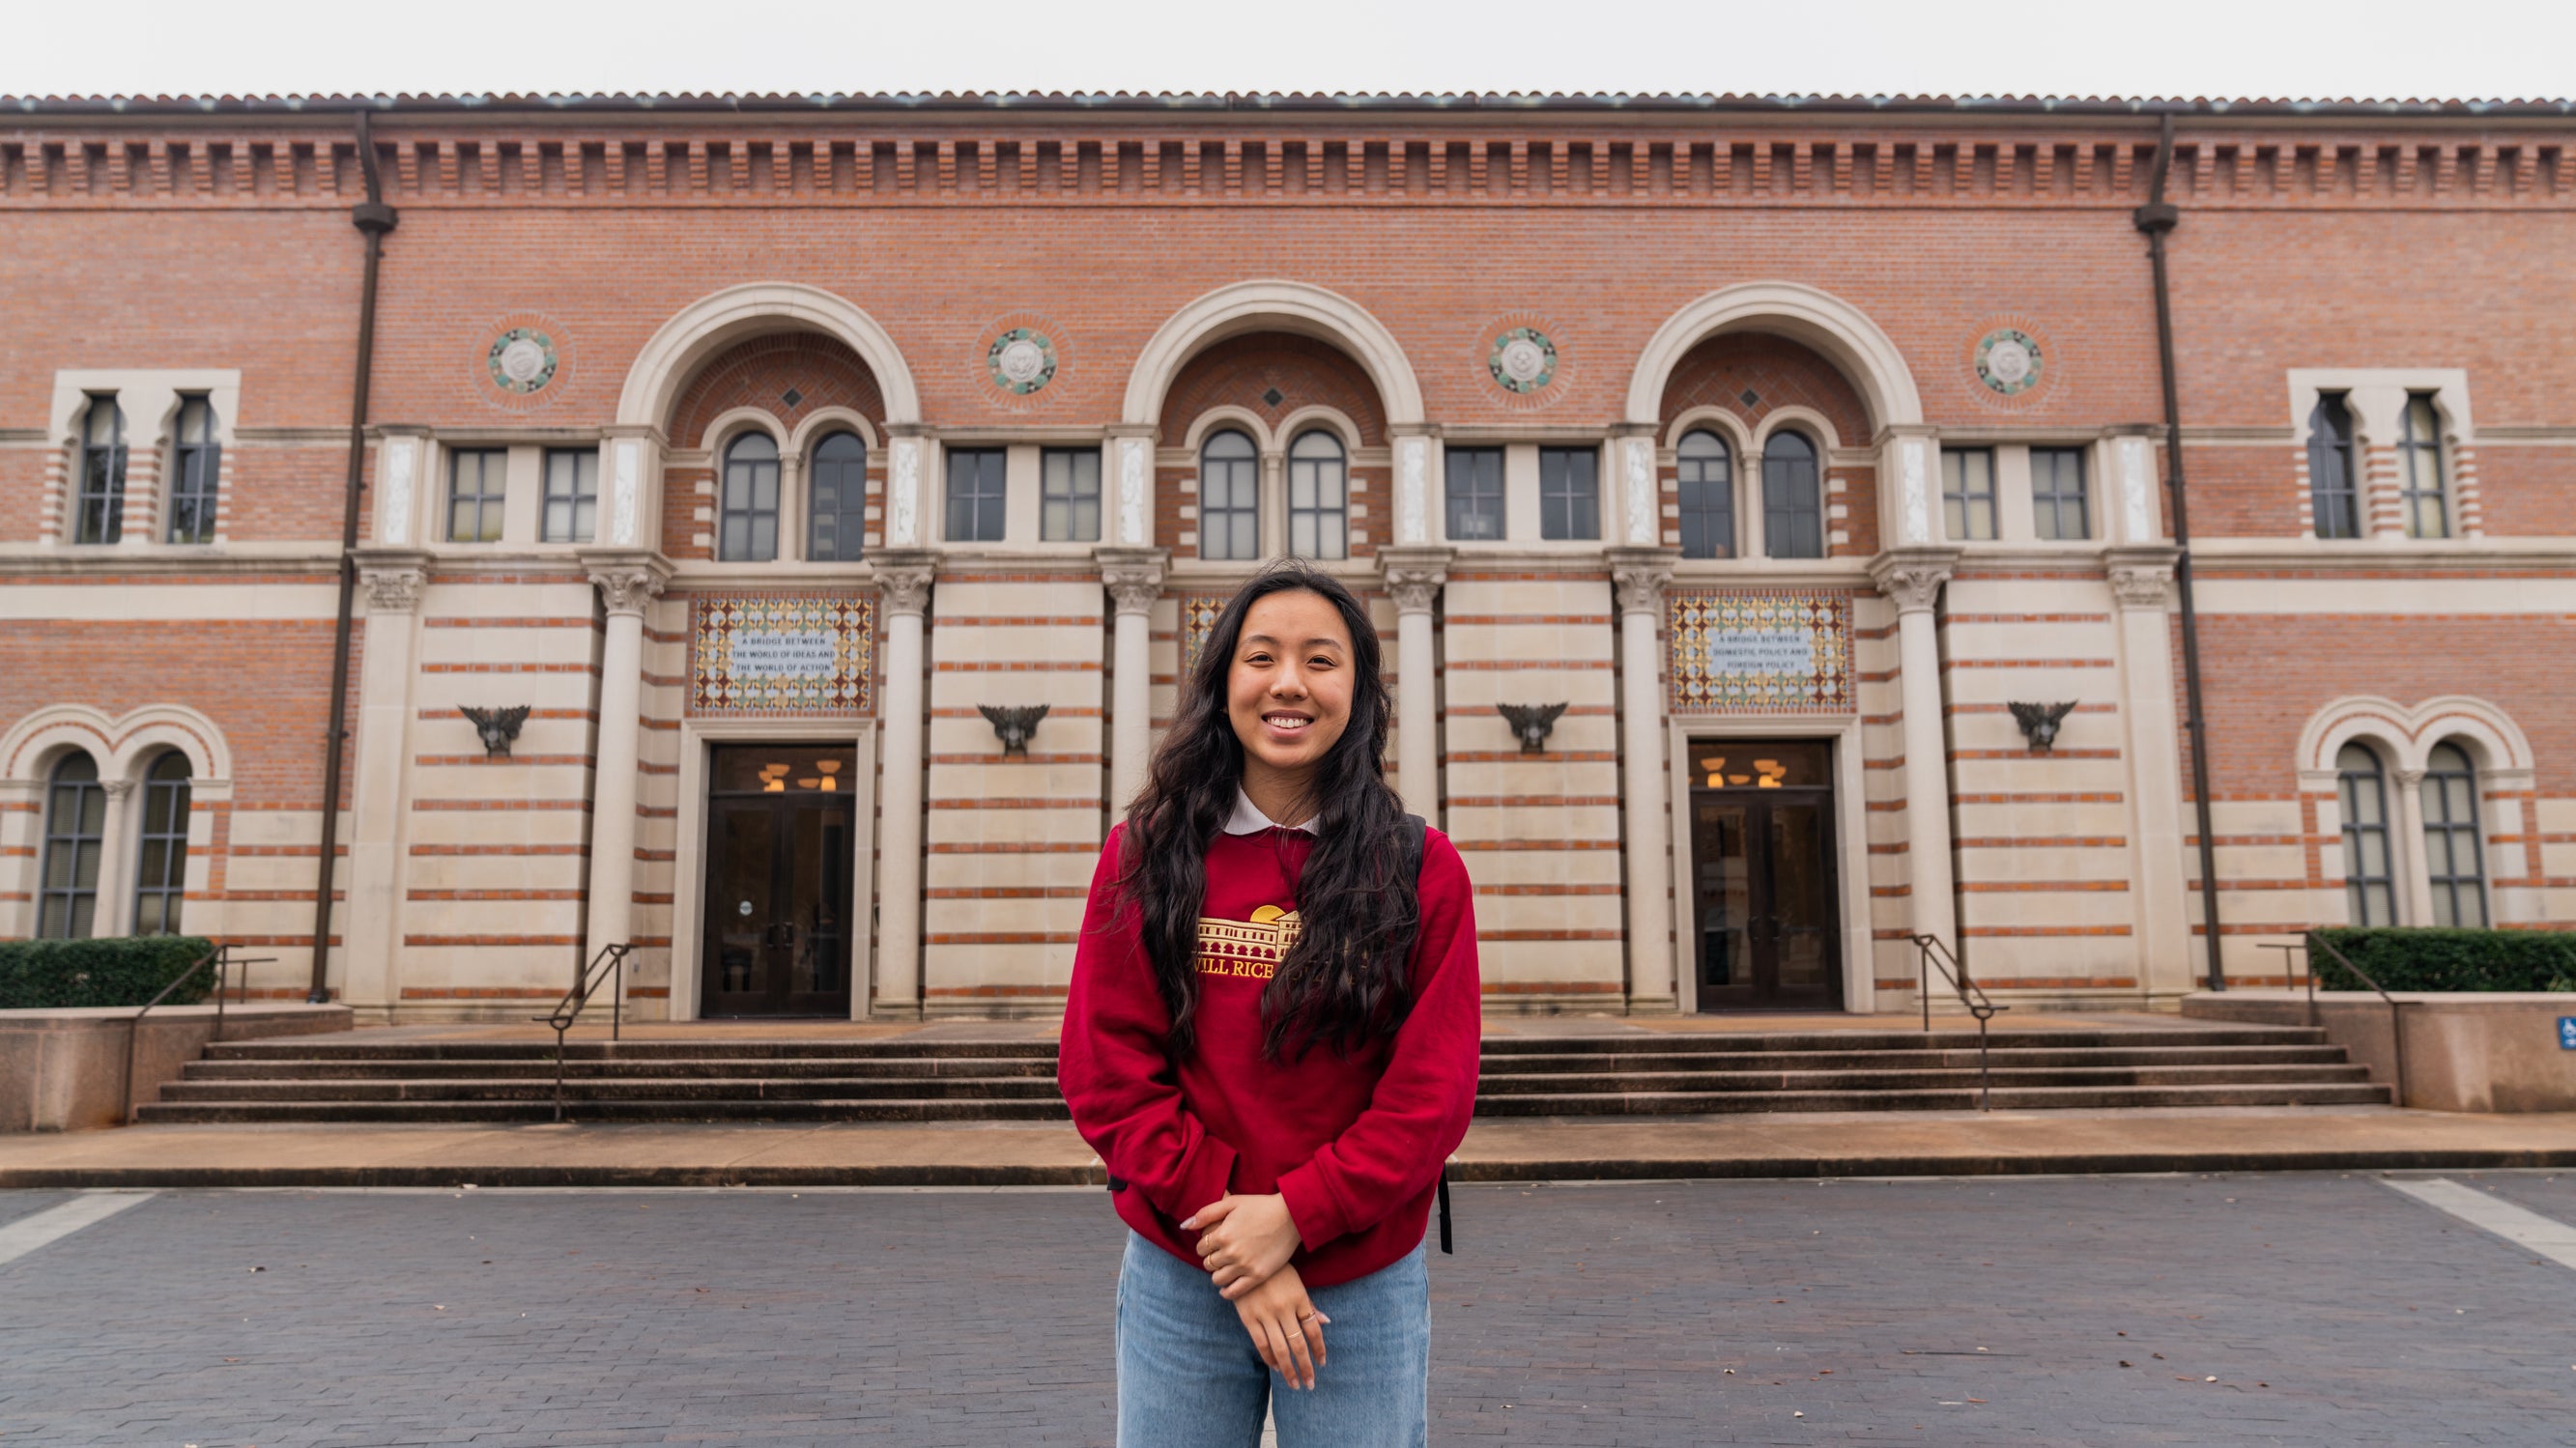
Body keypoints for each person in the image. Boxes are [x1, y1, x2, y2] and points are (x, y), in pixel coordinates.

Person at [1058, 560, 1482, 1447]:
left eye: (1321, 660)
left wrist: (1294, 1216)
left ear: (1359, 692)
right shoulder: (1144, 855)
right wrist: (1240, 1246)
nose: (1289, 682)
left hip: (1360, 1278)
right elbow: (1106, 1071)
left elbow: (1430, 1096)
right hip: (1188, 1272)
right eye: (1262, 656)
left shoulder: (1419, 866)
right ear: (1223, 682)